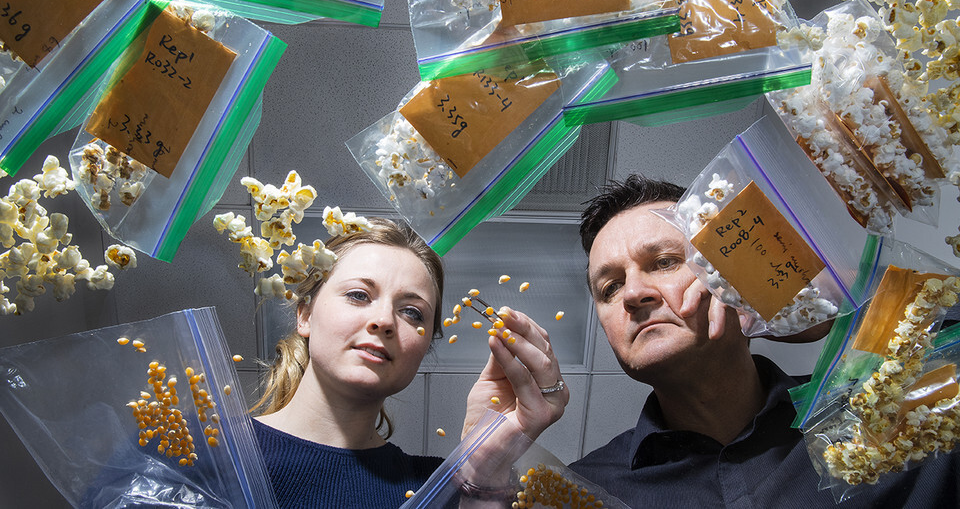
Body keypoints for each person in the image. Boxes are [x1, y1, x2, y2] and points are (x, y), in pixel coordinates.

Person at [568, 174, 960, 507]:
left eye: (665, 262)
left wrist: (842, 297)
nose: (633, 294)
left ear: (730, 276)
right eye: (610, 287)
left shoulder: (883, 414)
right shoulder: (585, 492)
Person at [251, 217, 568, 508]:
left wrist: (486, 463)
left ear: (426, 346)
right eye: (359, 295)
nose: (384, 320)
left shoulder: (435, 490)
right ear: (305, 314)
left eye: (412, 313)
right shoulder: (211, 447)